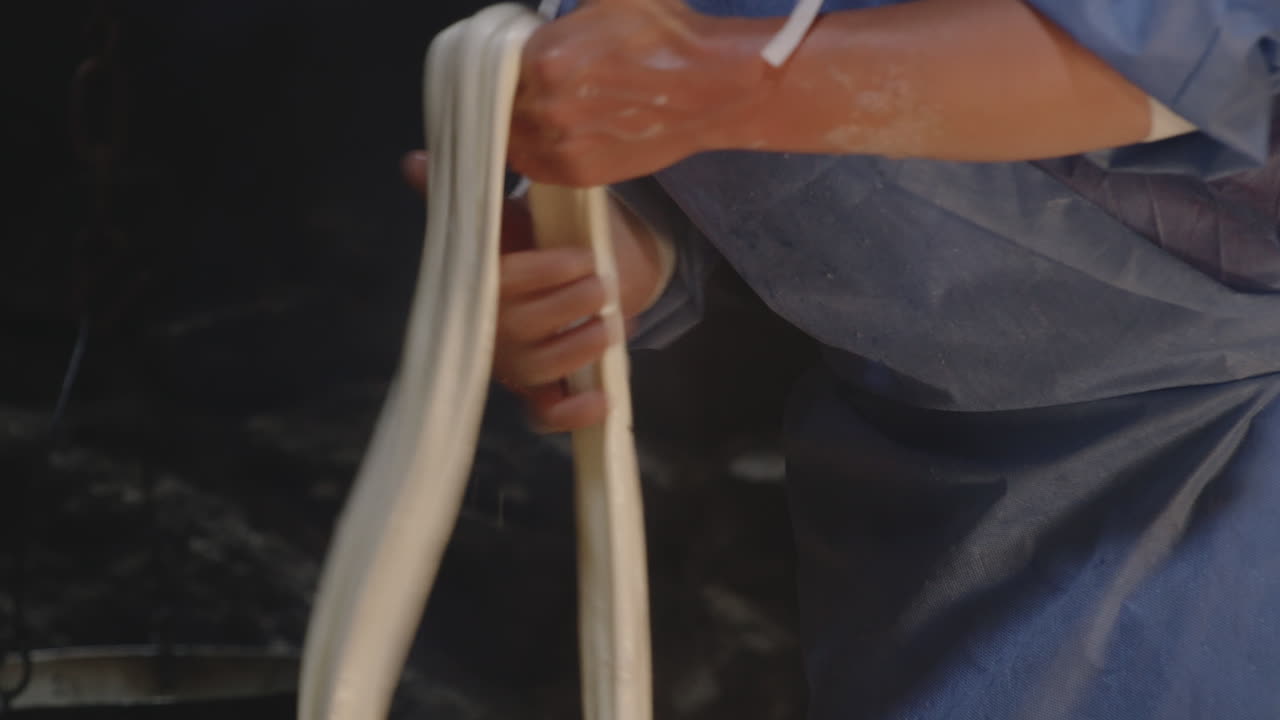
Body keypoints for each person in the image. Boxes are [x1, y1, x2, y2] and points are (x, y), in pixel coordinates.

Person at [403, 0, 1280, 717]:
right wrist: (582, 268)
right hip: (943, 493)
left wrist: (741, 79)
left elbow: (1206, 51)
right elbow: (714, 167)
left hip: (1239, 459)